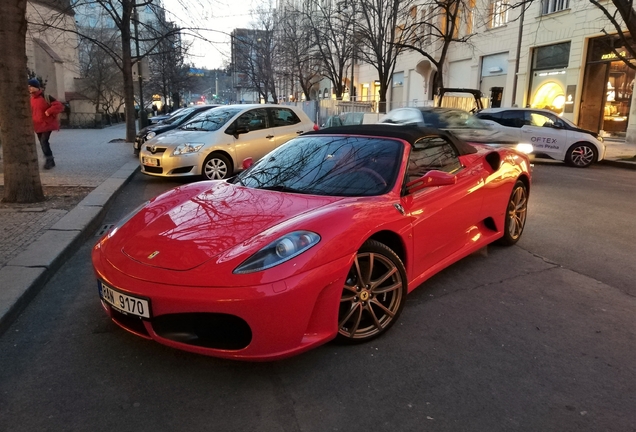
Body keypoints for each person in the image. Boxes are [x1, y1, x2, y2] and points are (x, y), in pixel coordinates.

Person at [29, 78, 64, 169]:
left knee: (44, 142)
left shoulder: (45, 96)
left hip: (47, 124)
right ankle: (50, 160)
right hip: (37, 124)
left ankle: (49, 161)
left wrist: (49, 111)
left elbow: (59, 105)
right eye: (28, 87)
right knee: (42, 143)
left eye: (31, 86)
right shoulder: (30, 99)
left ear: (37, 87)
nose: (30, 89)